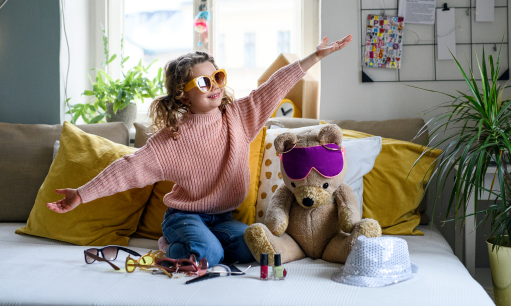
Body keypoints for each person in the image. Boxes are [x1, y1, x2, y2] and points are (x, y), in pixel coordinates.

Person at [46, 35, 352, 267]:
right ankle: (172, 247)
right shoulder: (171, 140)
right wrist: (82, 194)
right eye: (204, 82)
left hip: (223, 217)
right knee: (209, 254)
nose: (215, 86)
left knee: (257, 248)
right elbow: (127, 169)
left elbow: (272, 88)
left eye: (217, 77)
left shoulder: (238, 117)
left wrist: (313, 57)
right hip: (184, 217)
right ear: (182, 95)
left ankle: (202, 245)